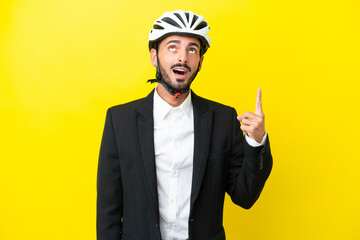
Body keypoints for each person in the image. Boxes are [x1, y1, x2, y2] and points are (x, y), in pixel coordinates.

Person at [97, 10, 273, 240]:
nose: (183, 57)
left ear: (200, 62)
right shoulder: (120, 120)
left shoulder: (223, 119)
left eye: (192, 49)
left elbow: (245, 196)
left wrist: (256, 141)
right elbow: (108, 210)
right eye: (173, 47)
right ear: (154, 56)